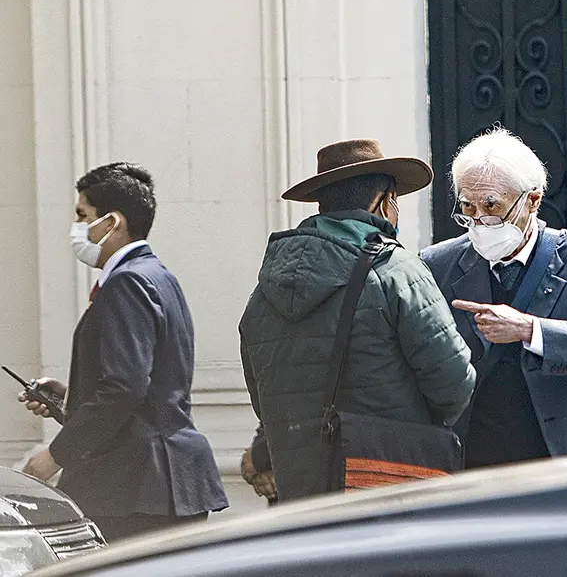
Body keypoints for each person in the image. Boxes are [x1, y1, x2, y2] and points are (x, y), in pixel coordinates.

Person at [239, 139, 476, 501]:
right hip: (387, 487)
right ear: (385, 202)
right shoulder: (395, 271)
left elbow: (264, 403)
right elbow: (454, 385)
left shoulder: (264, 291)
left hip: (302, 496)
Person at [20, 163, 228, 542]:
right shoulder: (157, 275)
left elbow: (125, 388)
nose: (77, 227)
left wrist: (54, 456)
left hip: (136, 488)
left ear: (112, 222)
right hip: (160, 482)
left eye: (83, 216)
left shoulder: (127, 282)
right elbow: (149, 384)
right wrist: (73, 395)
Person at [420, 128, 567, 469]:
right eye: (467, 207)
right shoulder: (437, 263)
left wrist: (531, 330)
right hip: (474, 460)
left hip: (566, 454)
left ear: (532, 201)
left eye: (492, 206)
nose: (478, 221)